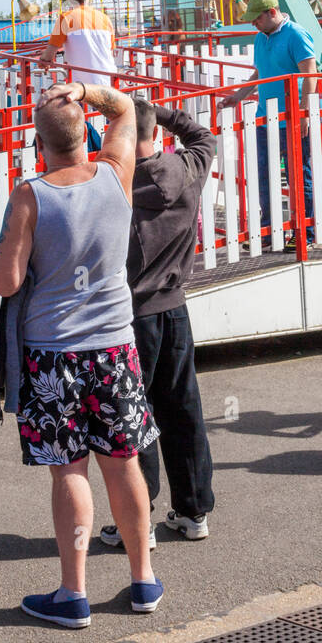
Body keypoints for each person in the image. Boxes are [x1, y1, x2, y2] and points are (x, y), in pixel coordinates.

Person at [0, 79, 162, 628]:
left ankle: (74, 593)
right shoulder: (116, 173)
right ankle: (143, 580)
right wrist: (85, 89)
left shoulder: (30, 195)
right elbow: (128, 108)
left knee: (70, 471)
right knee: (124, 463)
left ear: (39, 143)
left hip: (54, 353)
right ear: (87, 132)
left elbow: (8, 282)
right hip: (115, 346)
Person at [100, 99, 215, 551]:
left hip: (132, 315)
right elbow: (203, 136)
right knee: (183, 408)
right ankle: (193, 509)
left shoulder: (112, 184)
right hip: (175, 309)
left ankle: (139, 517)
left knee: (135, 416)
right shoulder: (187, 169)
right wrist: (159, 113)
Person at [218, 0, 317, 251]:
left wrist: (304, 111)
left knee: (299, 177)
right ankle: (269, 230)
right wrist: (238, 96)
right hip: (266, 118)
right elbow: (260, 72)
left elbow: (310, 73)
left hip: (292, 118)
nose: (253, 24)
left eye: (256, 18)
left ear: (272, 12)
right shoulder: (261, 38)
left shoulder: (295, 34)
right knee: (265, 176)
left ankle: (304, 233)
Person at [38, 0, 117, 89]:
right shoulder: (105, 18)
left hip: (84, 87)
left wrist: (43, 61)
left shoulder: (66, 18)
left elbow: (49, 54)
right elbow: (111, 50)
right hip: (111, 81)